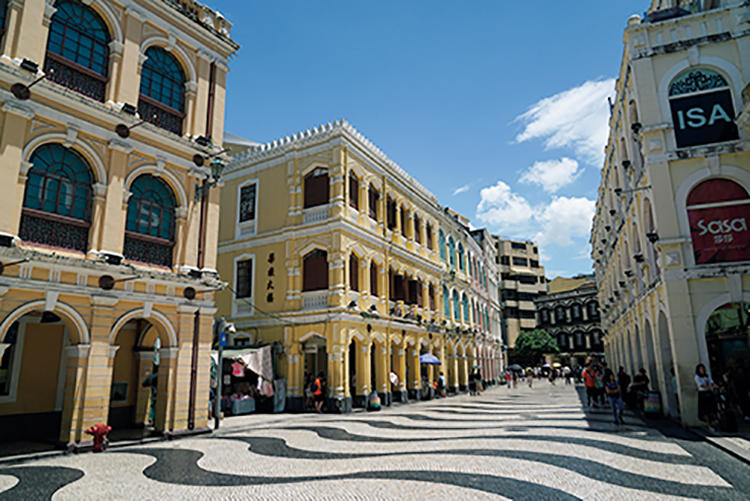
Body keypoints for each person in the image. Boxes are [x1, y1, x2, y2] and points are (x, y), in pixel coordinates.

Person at [695, 363, 718, 431]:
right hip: (703, 393)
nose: (702, 370)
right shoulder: (697, 377)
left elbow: (711, 382)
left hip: (709, 392)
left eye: (703, 369)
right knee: (705, 410)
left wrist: (715, 385)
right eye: (701, 369)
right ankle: (708, 425)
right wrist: (710, 387)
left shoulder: (707, 376)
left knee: (712, 408)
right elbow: (701, 386)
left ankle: (713, 422)